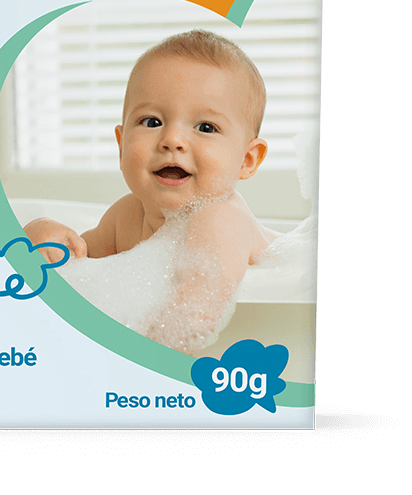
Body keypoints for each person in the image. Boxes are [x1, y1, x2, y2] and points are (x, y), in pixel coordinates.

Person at [23, 30, 281, 350]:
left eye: (205, 127)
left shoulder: (221, 219)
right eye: (151, 122)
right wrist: (41, 233)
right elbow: (78, 266)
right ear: (121, 146)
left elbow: (194, 315)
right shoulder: (125, 216)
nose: (172, 140)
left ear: (246, 160)